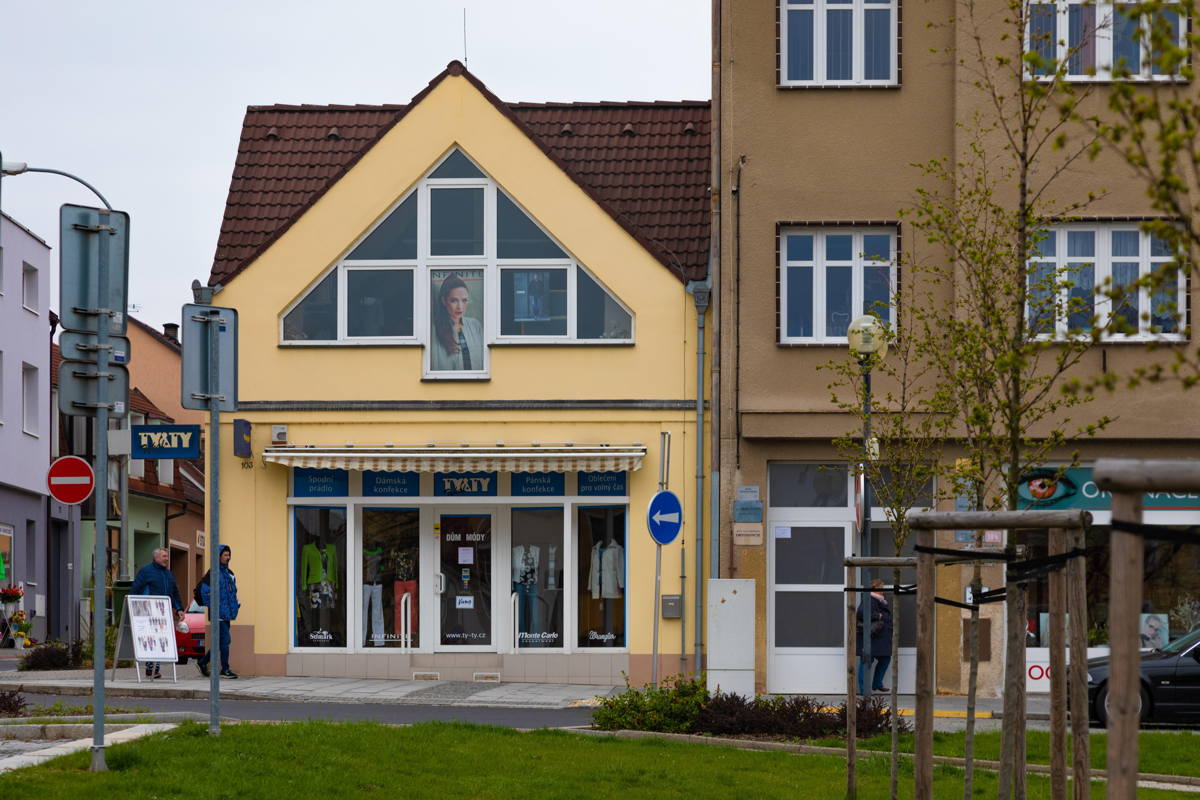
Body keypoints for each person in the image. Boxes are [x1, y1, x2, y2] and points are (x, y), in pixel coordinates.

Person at [130, 547, 184, 680]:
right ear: (156, 558)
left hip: (164, 613)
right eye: (164, 556)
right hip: (148, 612)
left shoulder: (168, 574)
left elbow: (174, 593)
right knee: (151, 638)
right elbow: (135, 589)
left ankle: (154, 669)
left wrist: (179, 608)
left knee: (160, 639)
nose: (166, 559)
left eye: (167, 556)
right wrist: (133, 605)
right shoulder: (146, 571)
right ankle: (150, 669)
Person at [197, 545, 241, 679]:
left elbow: (233, 592)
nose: (228, 558)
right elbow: (204, 591)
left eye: (229, 555)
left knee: (219, 641)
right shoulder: (213, 573)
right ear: (218, 556)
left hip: (227, 613)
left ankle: (203, 662)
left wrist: (235, 605)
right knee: (225, 640)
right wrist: (214, 607)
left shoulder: (230, 573)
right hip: (217, 614)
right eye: (225, 555)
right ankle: (225, 669)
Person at [430, 273, 483, 371]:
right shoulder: (434, 330)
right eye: (454, 301)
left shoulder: (475, 325)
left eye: (464, 300)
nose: (460, 307)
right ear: (444, 301)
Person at [856, 578, 894, 696]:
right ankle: (864, 690)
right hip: (872, 637)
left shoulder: (878, 600)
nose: (882, 591)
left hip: (879, 638)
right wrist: (879, 615)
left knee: (885, 659)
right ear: (874, 588)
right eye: (880, 589)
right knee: (866, 661)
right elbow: (861, 613)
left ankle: (876, 683)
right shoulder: (869, 599)